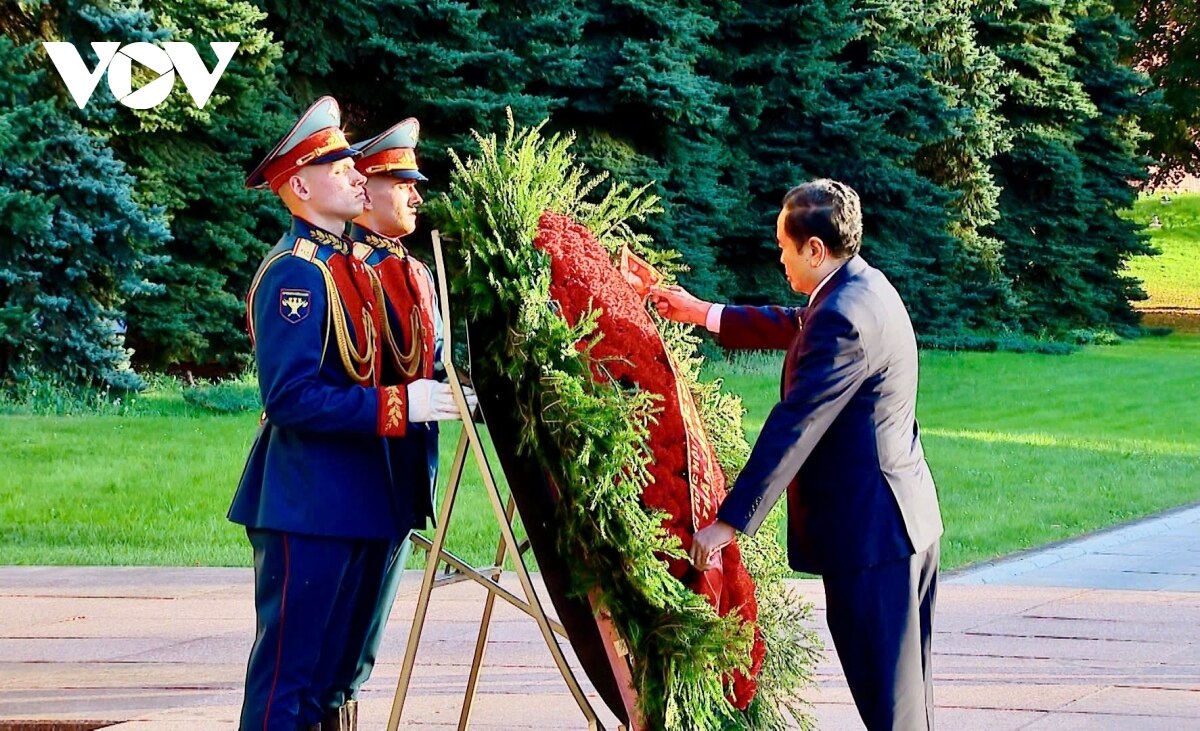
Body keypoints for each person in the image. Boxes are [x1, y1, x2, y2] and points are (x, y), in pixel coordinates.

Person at [651, 179, 944, 730]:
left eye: (785, 246)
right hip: (904, 527)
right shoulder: (861, 287)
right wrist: (699, 312)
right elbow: (797, 324)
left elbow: (795, 425)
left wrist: (729, 523)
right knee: (906, 705)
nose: (780, 256)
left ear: (815, 249)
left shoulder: (842, 317)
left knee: (893, 713)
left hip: (872, 540)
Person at [230, 96, 472, 731]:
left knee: (333, 681)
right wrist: (401, 405)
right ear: (302, 185)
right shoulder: (296, 275)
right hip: (310, 502)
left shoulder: (347, 268)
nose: (358, 176)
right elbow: (290, 397)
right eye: (340, 169)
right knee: (288, 686)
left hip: (362, 496)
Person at [309, 117, 442, 727]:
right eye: (402, 182)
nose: (416, 195)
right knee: (332, 646)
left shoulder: (408, 269)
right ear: (368, 185)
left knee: (360, 641)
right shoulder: (345, 270)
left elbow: (429, 366)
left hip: (400, 476)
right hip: (359, 476)